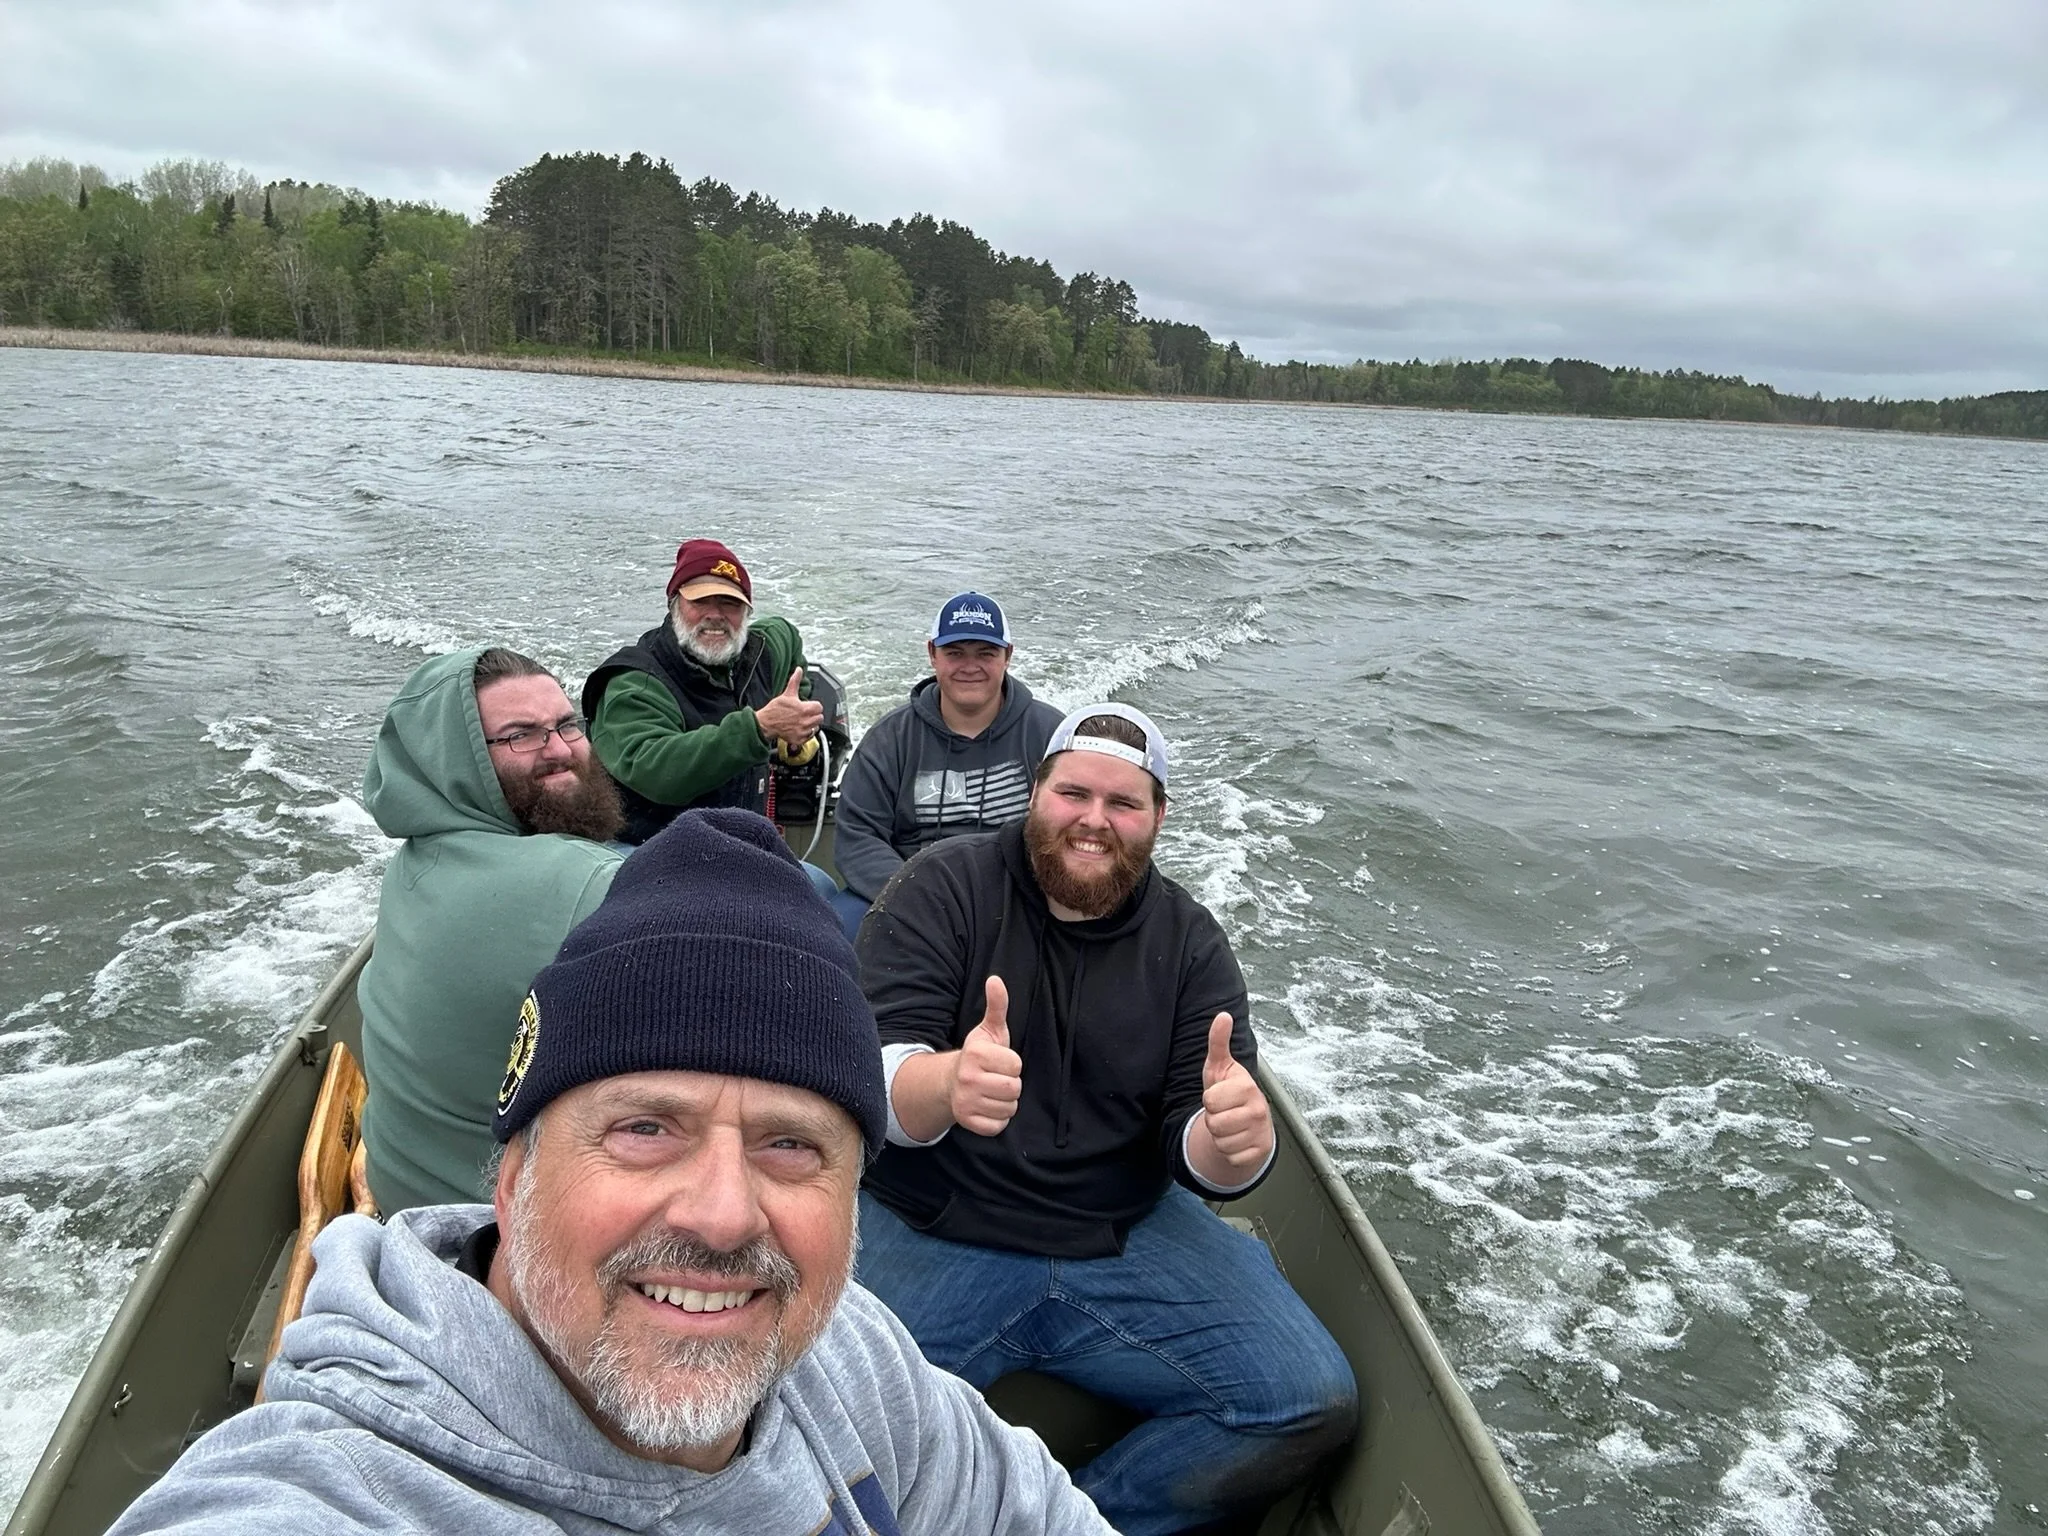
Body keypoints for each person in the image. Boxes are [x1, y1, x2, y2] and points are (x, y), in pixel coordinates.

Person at [109, 811, 1114, 1536]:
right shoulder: (337, 1491)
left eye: (792, 1144)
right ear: (511, 1178)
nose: (724, 1217)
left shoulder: (848, 1355)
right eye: (643, 1128)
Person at [854, 703, 1358, 1535]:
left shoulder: (1192, 944)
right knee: (799, 1420)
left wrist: (1234, 1145)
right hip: (930, 1220)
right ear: (1035, 793)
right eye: (1073, 793)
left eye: (1124, 804)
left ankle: (1079, 1520)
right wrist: (943, 1085)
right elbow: (868, 1077)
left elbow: (1198, 1138)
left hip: (1120, 1232)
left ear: (1158, 818)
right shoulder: (940, 887)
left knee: (1306, 1399)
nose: (1095, 820)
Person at [356, 646, 625, 1214]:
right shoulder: (584, 885)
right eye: (520, 735)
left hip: (407, 1191)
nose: (558, 750)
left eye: (566, 725)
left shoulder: (414, 863)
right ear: (459, 759)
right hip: (493, 1233)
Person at [830, 591, 1062, 939]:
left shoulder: (1052, 736)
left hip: (1023, 896)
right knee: (837, 925)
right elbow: (859, 835)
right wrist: (918, 896)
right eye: (955, 653)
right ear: (932, 654)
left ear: (1008, 656)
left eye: (986, 653)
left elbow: (1072, 829)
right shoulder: (890, 739)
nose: (970, 667)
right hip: (914, 895)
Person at [583, 538, 822, 844]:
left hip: (742, 843)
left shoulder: (763, 650)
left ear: (747, 613)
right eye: (700, 601)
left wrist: (796, 720)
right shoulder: (635, 681)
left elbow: (789, 640)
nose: (715, 614)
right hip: (649, 853)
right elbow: (655, 770)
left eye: (730, 603)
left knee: (821, 887)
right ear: (674, 605)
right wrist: (760, 728)